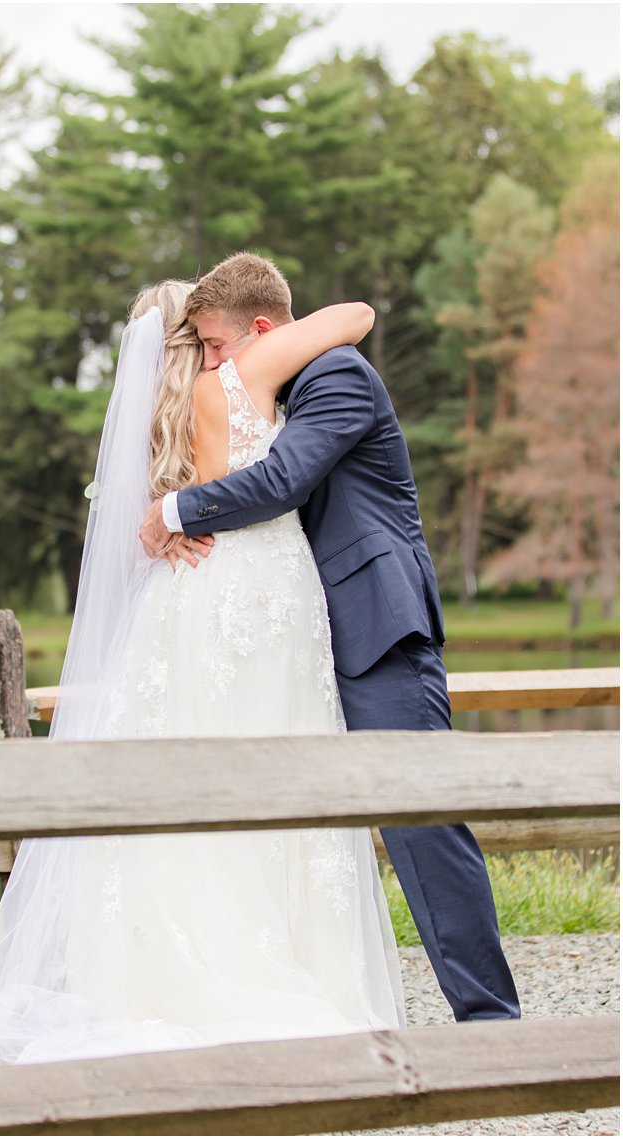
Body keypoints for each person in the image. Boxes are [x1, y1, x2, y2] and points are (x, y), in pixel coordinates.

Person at [0, 278, 407, 1065]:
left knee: (206, 760)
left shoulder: (188, 395)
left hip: (206, 592)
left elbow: (166, 500)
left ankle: (161, 972)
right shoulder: (241, 374)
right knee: (273, 766)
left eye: (215, 335)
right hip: (267, 588)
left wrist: (170, 516)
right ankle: (275, 963)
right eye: (202, 336)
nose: (214, 348)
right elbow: (356, 316)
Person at [140, 251, 520, 1025]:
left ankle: (490, 1020)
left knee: (421, 817)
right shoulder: (280, 382)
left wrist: (177, 512)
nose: (215, 365)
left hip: (377, 629)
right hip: (306, 637)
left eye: (218, 346)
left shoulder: (337, 376)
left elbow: (283, 481)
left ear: (262, 330)